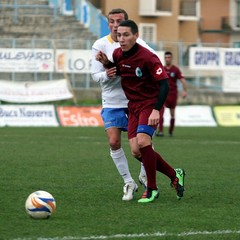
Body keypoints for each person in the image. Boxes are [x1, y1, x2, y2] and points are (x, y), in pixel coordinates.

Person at [96, 20, 185, 203]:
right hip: (133, 106)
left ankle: (151, 188)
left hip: (150, 104)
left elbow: (164, 85)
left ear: (136, 36)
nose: (122, 39)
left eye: (126, 35)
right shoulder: (118, 54)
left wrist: (156, 110)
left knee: (144, 141)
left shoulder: (148, 57)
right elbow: (120, 71)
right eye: (119, 35)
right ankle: (174, 174)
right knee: (137, 151)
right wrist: (106, 64)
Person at [91, 9, 150, 201]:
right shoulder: (100, 45)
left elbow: (151, 61)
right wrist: (106, 75)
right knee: (114, 141)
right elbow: (95, 75)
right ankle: (128, 182)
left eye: (120, 21)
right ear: (108, 24)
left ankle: (145, 172)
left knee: (140, 146)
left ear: (127, 23)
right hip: (112, 101)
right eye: (112, 21)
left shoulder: (138, 43)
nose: (116, 25)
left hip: (135, 100)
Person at [155, 51, 187, 137]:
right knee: (161, 112)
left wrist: (184, 91)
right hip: (163, 94)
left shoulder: (175, 69)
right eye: (166, 58)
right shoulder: (161, 68)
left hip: (173, 95)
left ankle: (170, 131)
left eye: (169, 57)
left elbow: (183, 80)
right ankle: (160, 131)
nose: (167, 59)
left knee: (172, 113)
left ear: (171, 58)